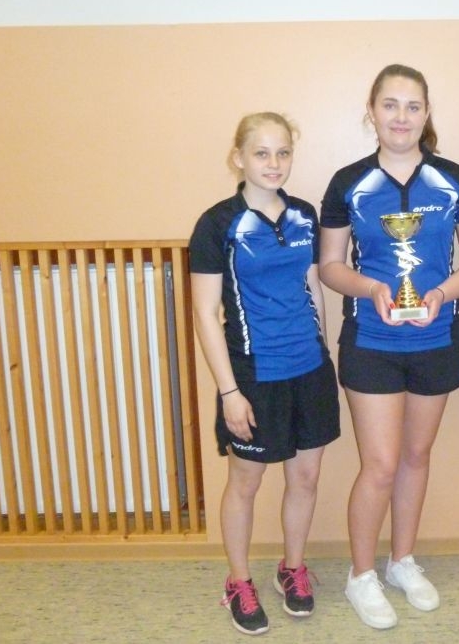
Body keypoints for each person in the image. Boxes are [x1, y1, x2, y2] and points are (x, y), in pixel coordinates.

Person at [319, 64, 459, 629]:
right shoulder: (348, 182)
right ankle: (361, 574)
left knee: (417, 457)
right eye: (390, 105)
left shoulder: (454, 179)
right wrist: (371, 289)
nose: (401, 117)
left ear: (426, 112)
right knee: (381, 465)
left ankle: (401, 561)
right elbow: (330, 266)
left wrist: (440, 294)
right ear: (372, 111)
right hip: (371, 341)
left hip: (436, 338)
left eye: (413, 106)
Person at [189, 112, 340, 636]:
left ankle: (292, 568)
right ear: (239, 158)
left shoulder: (304, 215)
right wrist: (229, 391)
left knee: (305, 477)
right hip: (253, 375)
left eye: (283, 153)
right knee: (246, 483)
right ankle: (238, 580)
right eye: (261, 153)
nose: (274, 163)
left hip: (309, 369)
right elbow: (206, 312)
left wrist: (324, 354)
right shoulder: (217, 224)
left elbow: (312, 286)